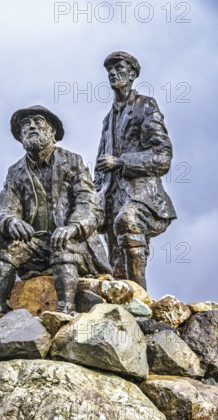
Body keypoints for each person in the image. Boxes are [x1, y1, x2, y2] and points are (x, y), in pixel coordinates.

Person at [0, 105, 111, 314]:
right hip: (36, 247)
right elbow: (1, 210)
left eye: (38, 121)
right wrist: (10, 222)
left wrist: (74, 227)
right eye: (26, 124)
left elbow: (89, 204)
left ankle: (65, 307)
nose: (31, 126)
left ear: (52, 132)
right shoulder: (16, 172)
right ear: (20, 135)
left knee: (63, 243)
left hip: (74, 243)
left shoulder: (72, 162)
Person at [94, 51, 177, 289]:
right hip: (112, 197)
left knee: (128, 220)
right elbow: (100, 164)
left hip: (143, 196)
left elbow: (162, 156)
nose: (112, 73)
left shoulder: (145, 106)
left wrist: (121, 162)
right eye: (109, 69)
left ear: (132, 74)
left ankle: (140, 295)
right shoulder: (107, 119)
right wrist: (95, 192)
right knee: (114, 261)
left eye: (119, 68)